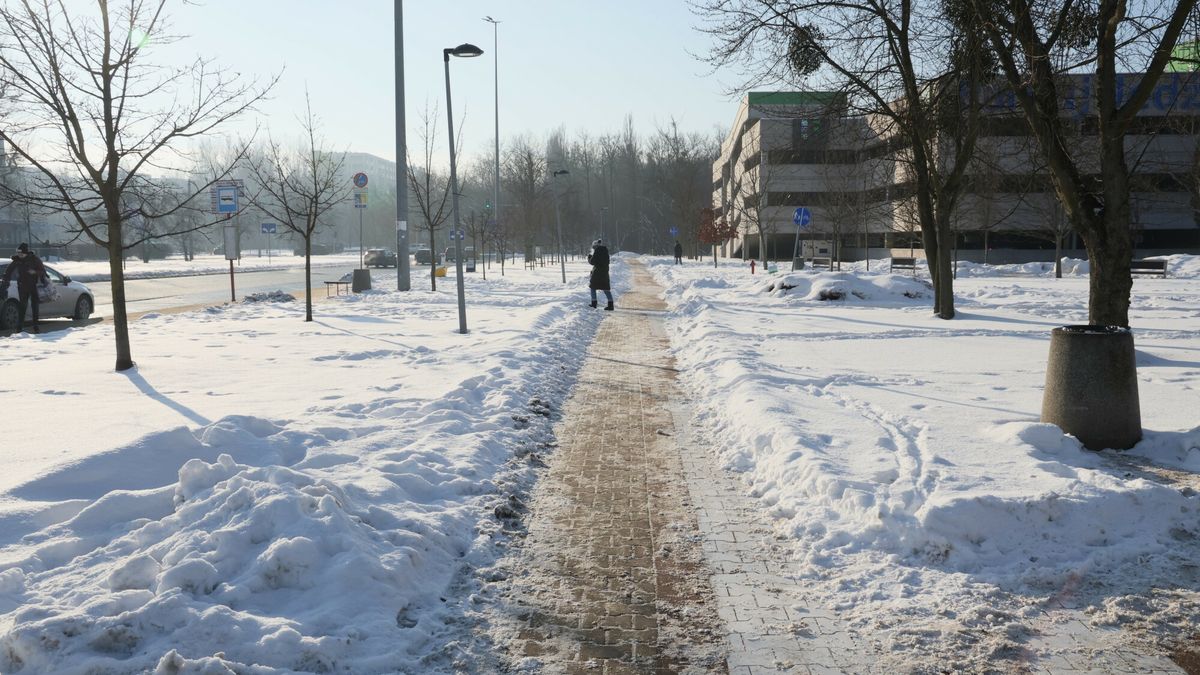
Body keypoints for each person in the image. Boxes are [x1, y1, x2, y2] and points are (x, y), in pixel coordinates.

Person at [1, 243, 48, 332]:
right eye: (18, 253)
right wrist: (5, 281)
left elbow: (42, 271)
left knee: (35, 306)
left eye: (21, 253)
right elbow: (8, 272)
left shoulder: (34, 260)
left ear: (26, 253)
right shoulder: (17, 260)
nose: (19, 255)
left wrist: (34, 272)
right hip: (22, 286)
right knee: (22, 306)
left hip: (34, 286)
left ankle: (36, 326)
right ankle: (20, 327)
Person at [587, 238, 614, 311]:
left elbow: (592, 262)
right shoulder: (605, 251)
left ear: (595, 246)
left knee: (593, 288)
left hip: (597, 274)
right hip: (605, 273)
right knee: (606, 289)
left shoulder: (597, 251)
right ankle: (611, 305)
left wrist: (589, 257)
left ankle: (594, 303)